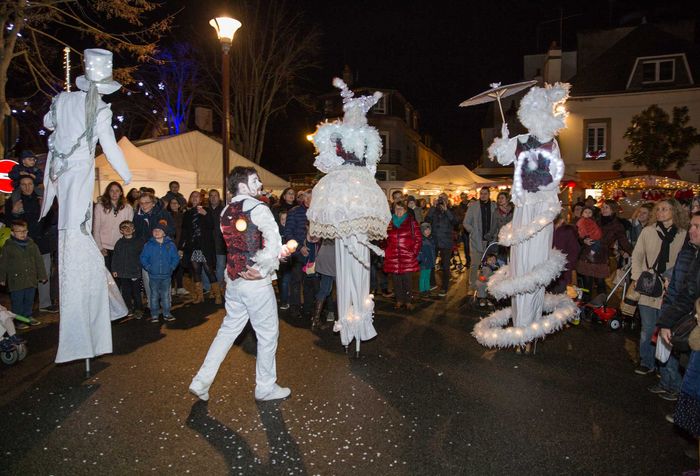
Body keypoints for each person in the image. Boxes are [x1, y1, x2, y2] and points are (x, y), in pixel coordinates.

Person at [39, 48, 132, 364]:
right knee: (80, 243)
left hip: (63, 180)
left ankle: (91, 319)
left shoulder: (63, 101)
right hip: (78, 180)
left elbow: (47, 122)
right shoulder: (99, 111)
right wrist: (127, 175)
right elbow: (111, 149)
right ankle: (91, 322)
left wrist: (62, 106)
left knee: (74, 241)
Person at [189, 166, 290, 402]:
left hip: (233, 280)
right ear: (243, 186)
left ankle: (201, 381)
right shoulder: (259, 208)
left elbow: (234, 245)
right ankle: (265, 387)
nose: (261, 185)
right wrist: (263, 267)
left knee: (227, 332)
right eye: (256, 181)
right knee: (267, 335)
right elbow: (274, 242)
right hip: (254, 282)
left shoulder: (225, 210)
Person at [631, 199, 688, 383]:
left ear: (675, 211)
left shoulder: (683, 235)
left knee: (665, 332)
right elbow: (637, 255)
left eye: (666, 209)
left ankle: (664, 369)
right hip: (648, 286)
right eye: (659, 209)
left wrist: (675, 281)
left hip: (670, 289)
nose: (661, 212)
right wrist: (638, 277)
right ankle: (647, 362)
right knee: (648, 329)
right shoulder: (649, 231)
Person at [656, 212, 700, 403]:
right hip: (693, 322)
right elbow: (687, 293)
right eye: (691, 225)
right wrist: (667, 322)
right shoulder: (693, 254)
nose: (692, 230)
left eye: (697, 226)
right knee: (692, 382)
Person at [576, 200, 632, 302]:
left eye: (607, 207)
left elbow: (623, 241)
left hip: (601, 258)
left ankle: (601, 309)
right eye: (603, 207)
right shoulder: (595, 219)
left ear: (613, 209)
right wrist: (584, 240)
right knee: (586, 286)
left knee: (601, 285)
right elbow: (580, 232)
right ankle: (585, 310)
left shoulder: (617, 225)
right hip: (587, 255)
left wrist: (633, 252)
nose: (603, 209)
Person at [0, 220, 47, 326]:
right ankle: (18, 319)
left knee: (29, 300)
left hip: (30, 278)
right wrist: (2, 278)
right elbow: (3, 264)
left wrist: (42, 275)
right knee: (17, 301)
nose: (23, 233)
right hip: (16, 281)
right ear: (12, 233)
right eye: (19, 231)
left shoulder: (32, 245)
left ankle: (28, 316)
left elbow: (39, 261)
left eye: (25, 231)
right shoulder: (8, 247)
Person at [180, 191, 221, 304]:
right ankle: (199, 296)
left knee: (209, 270)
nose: (194, 198)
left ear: (201, 199)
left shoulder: (206, 210)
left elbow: (212, 226)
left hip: (205, 246)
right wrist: (180, 247)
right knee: (196, 271)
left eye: (197, 196)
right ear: (190, 199)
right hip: (193, 246)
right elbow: (184, 231)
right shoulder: (187, 214)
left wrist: (206, 215)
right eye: (192, 196)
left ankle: (217, 295)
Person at [133, 191, 174, 302]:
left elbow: (171, 230)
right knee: (148, 280)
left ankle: (166, 305)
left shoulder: (163, 214)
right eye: (141, 203)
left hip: (162, 251)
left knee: (164, 280)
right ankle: (152, 306)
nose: (144, 205)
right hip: (146, 252)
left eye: (147, 202)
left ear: (153, 203)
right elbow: (136, 235)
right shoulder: (137, 216)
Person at [383, 200, 421, 310]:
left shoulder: (411, 222)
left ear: (405, 210)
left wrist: (414, 251)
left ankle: (408, 301)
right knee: (396, 280)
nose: (398, 211)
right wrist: (386, 250)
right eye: (396, 209)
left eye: (400, 209)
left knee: (407, 280)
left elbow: (418, 238)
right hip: (393, 256)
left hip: (407, 256)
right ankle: (399, 300)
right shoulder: (389, 223)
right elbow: (384, 238)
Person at [140, 222, 179, 323]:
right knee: (154, 295)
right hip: (153, 275)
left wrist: (172, 267)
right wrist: (148, 267)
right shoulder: (149, 245)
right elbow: (143, 257)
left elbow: (175, 258)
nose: (156, 232)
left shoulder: (170, 245)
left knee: (165, 295)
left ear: (164, 233)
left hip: (166, 275)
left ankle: (167, 313)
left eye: (159, 231)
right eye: (155, 230)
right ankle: (154, 314)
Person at [92, 181, 134, 271]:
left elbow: (129, 229)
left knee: (118, 274)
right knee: (106, 275)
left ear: (121, 192)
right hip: (104, 247)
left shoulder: (128, 208)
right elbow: (96, 228)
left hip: (120, 246)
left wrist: (126, 246)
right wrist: (99, 247)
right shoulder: (99, 207)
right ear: (108, 192)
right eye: (112, 191)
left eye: (117, 191)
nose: (114, 193)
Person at [424, 192, 456, 297]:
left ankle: (444, 287)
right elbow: (426, 221)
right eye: (440, 198)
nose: (442, 200)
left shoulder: (451, 210)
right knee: (431, 264)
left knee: (445, 266)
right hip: (434, 241)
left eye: (444, 198)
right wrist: (432, 207)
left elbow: (455, 222)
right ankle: (432, 283)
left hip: (446, 243)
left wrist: (447, 210)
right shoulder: (434, 211)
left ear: (448, 200)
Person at [286, 189, 312, 318]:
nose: (309, 200)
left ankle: (308, 308)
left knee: (309, 283)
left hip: (312, 254)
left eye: (311, 197)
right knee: (296, 282)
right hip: (297, 254)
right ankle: (294, 308)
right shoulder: (294, 212)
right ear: (303, 199)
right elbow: (288, 234)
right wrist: (300, 247)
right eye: (307, 197)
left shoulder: (317, 213)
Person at [464, 187, 495, 290]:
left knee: (489, 266)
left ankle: (488, 287)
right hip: (476, 241)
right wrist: (473, 231)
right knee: (474, 265)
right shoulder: (473, 206)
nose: (483, 195)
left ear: (489, 194)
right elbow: (466, 222)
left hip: (490, 241)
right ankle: (472, 286)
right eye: (481, 193)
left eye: (485, 193)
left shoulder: (494, 206)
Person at [111, 220, 143, 319]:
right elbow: (115, 257)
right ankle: (128, 308)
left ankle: (138, 309)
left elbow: (142, 257)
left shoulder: (138, 242)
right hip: (123, 273)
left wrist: (139, 268)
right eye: (124, 228)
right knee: (126, 292)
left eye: (130, 227)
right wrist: (114, 269)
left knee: (136, 292)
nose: (127, 229)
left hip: (134, 272)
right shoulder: (119, 243)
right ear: (121, 231)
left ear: (133, 229)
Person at [202, 189, 226, 296]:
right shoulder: (204, 210)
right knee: (205, 266)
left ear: (219, 197)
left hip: (220, 242)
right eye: (211, 196)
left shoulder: (224, 210)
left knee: (220, 266)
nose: (213, 197)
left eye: (215, 195)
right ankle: (207, 287)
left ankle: (219, 287)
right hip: (207, 242)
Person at [549, 213, 580, 294]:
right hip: (549, 269)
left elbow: (574, 251)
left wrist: (567, 265)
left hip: (563, 270)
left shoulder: (566, 231)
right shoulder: (549, 231)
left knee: (559, 294)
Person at [311, 238, 336, 331]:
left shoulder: (325, 224)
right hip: (334, 259)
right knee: (343, 290)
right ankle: (345, 319)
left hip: (324, 257)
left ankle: (315, 320)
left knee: (324, 290)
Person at [166, 197, 188, 296]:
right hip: (169, 243)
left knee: (180, 266)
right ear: (169, 205)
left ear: (179, 205)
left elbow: (185, 230)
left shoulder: (183, 216)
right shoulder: (166, 215)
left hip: (180, 242)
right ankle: (171, 287)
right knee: (171, 266)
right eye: (172, 203)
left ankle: (180, 287)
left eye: (176, 203)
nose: (174, 205)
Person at [418, 223, 436, 295]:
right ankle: (422, 290)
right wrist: (422, 259)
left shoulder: (431, 239)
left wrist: (433, 259)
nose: (428, 231)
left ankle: (427, 289)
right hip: (423, 262)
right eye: (426, 230)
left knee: (428, 276)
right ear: (422, 231)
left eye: (429, 229)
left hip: (430, 261)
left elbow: (433, 251)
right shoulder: (421, 240)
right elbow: (419, 252)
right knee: (423, 276)